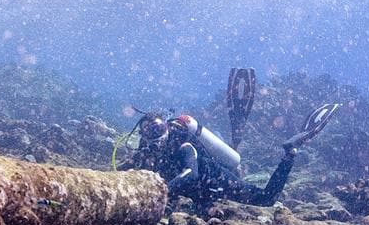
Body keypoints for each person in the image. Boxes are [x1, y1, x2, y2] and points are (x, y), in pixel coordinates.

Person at [117, 69, 340, 209]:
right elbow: (131, 169)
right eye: (148, 132)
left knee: (265, 199)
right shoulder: (150, 153)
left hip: (217, 182)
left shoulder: (185, 146)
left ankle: (289, 153)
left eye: (157, 129)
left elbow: (190, 174)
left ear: (166, 126)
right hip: (200, 194)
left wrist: (160, 191)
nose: (154, 137)